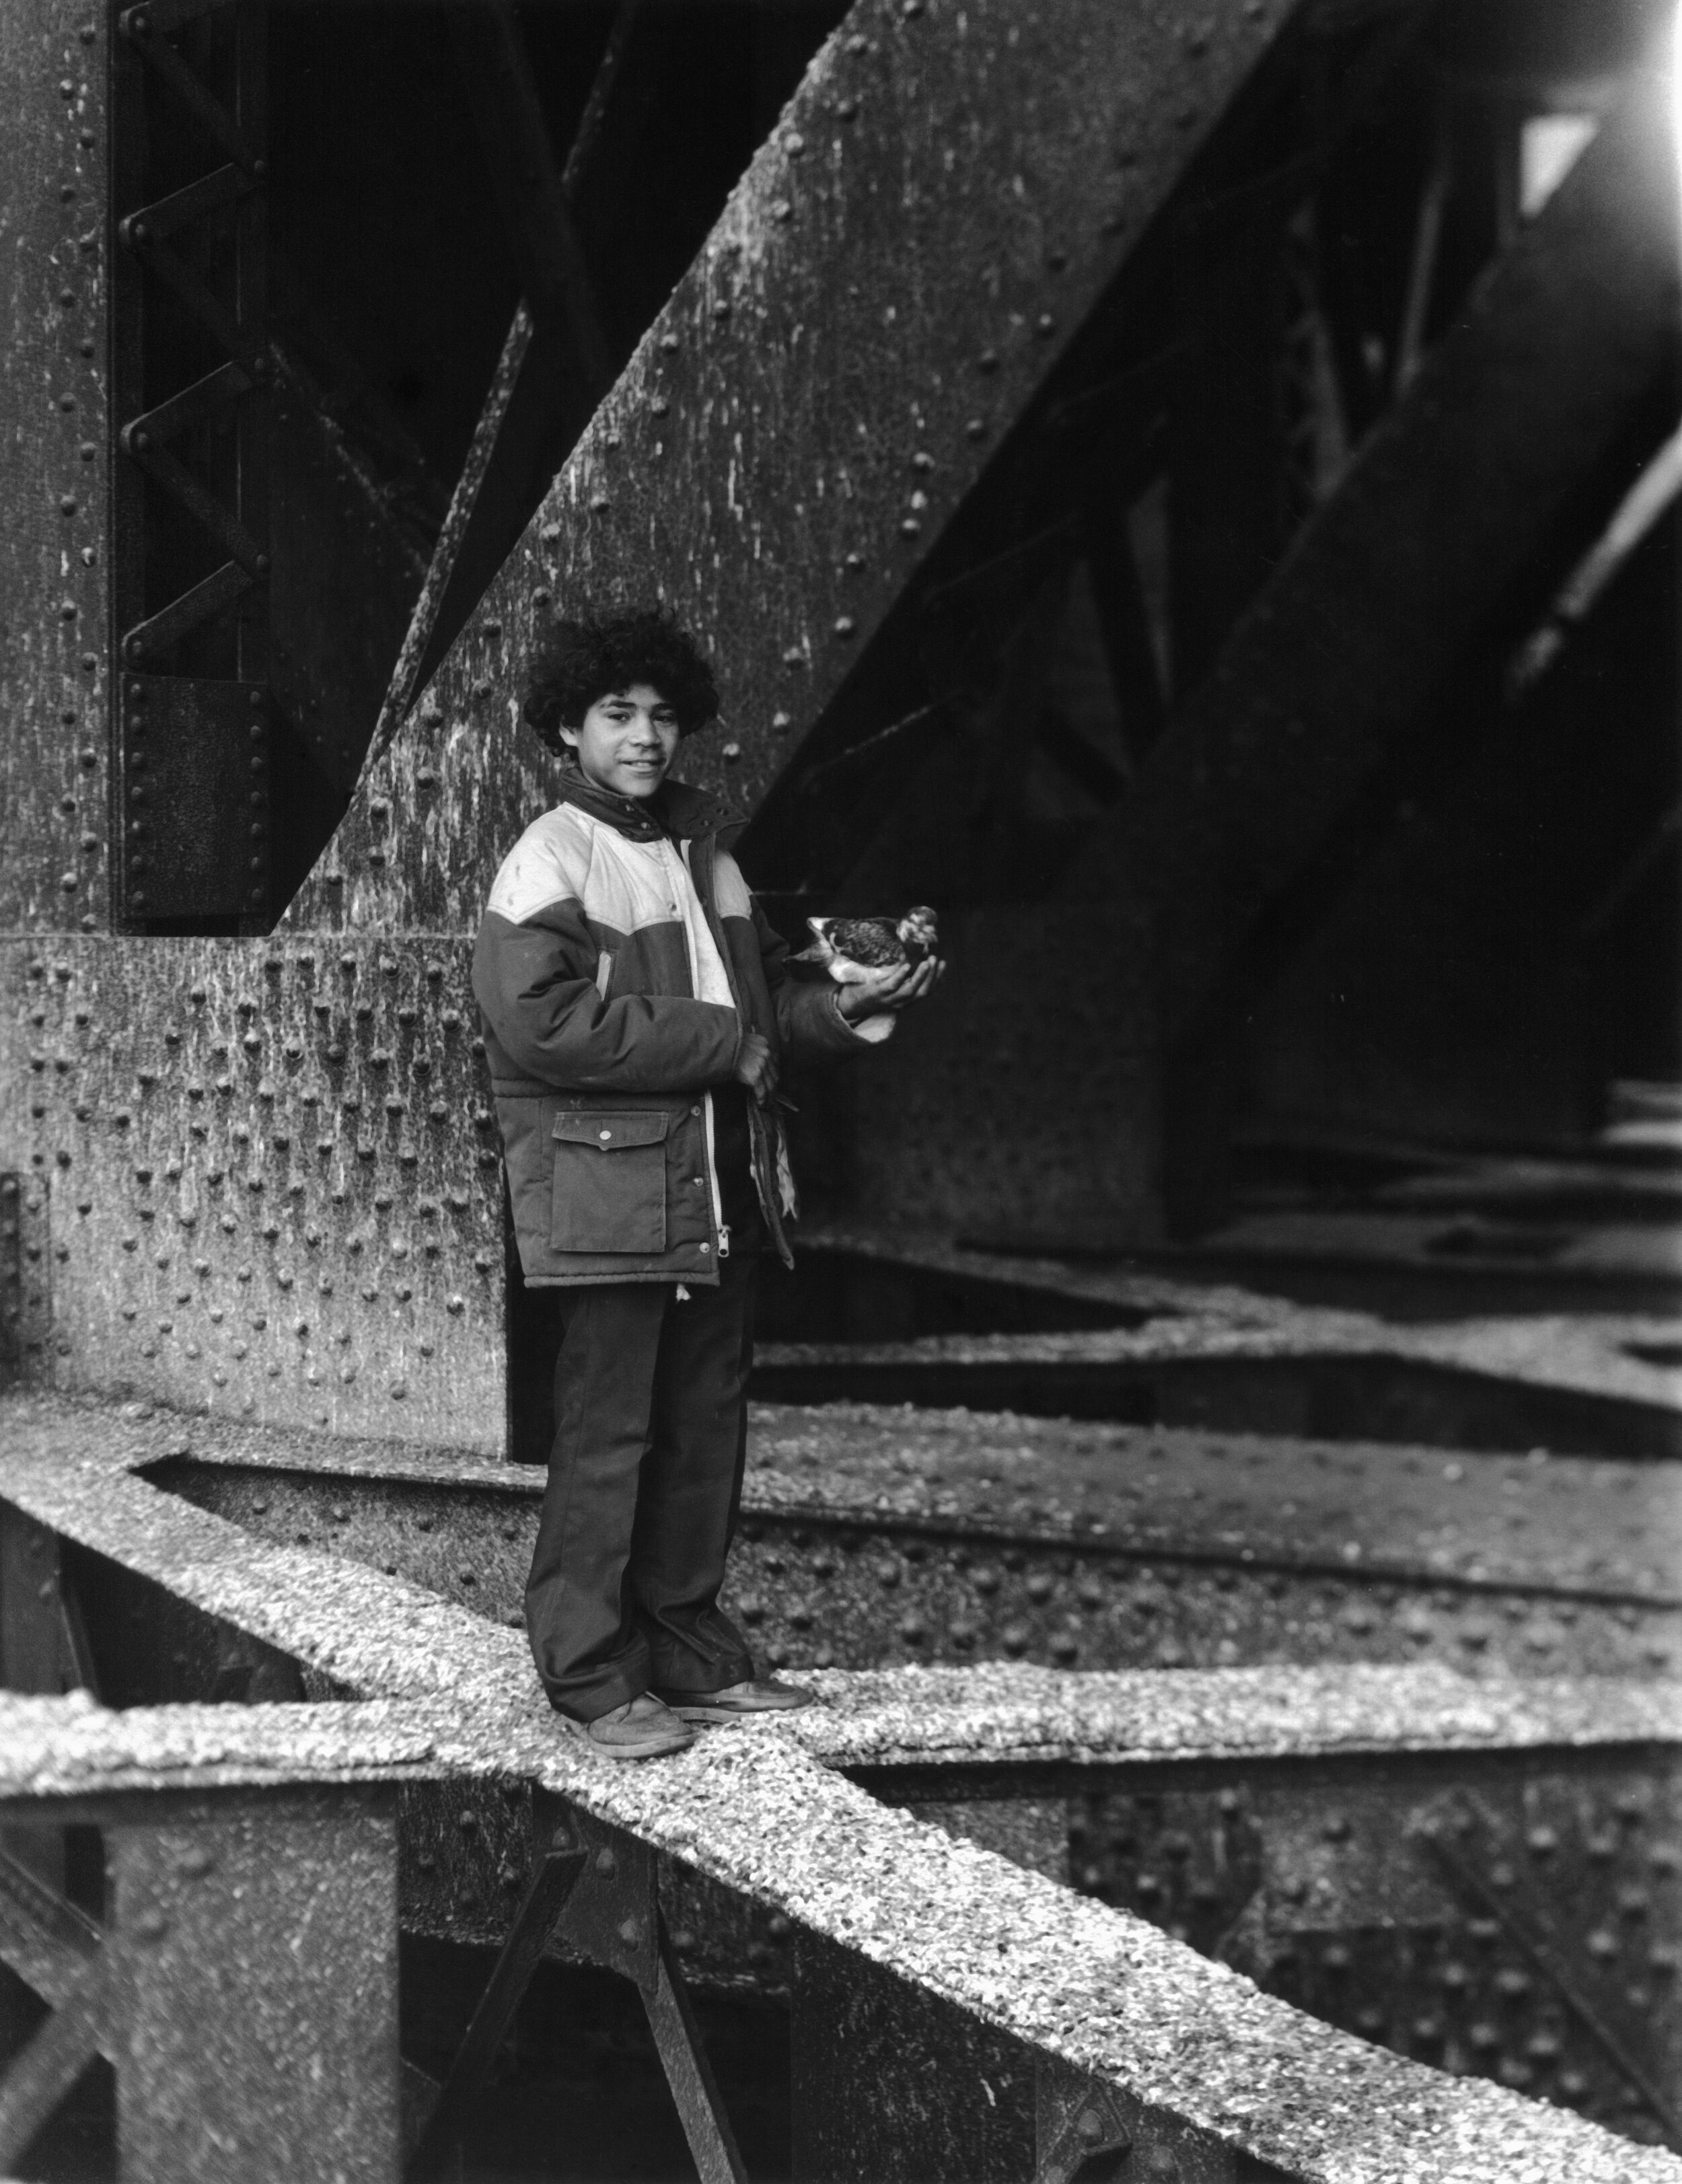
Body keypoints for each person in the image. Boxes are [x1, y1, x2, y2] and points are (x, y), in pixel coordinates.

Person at [472, 609, 941, 1758]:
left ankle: (685, 1650)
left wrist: (855, 1005)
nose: (644, 737)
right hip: (617, 1198)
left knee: (702, 1429)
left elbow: (764, 1015)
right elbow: (542, 1025)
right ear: (567, 730)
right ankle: (587, 1676)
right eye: (618, 715)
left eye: (662, 716)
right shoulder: (548, 857)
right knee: (610, 1433)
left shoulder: (709, 858)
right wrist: (719, 1042)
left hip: (719, 1192)